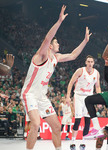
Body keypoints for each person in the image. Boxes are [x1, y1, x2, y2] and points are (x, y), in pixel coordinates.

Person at [20, 5, 92, 150]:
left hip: (42, 97)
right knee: (35, 124)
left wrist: (84, 41)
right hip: (30, 95)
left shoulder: (56, 58)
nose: (58, 44)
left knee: (57, 126)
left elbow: (73, 55)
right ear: (50, 47)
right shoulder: (41, 56)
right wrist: (59, 21)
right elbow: (47, 38)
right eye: (56, 43)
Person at [66, 55, 101, 150]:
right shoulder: (80, 71)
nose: (90, 64)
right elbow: (71, 82)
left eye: (91, 62)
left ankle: (83, 141)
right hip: (78, 96)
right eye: (88, 61)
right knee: (77, 120)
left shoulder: (96, 73)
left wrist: (99, 98)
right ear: (86, 62)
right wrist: (68, 96)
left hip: (89, 98)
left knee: (87, 121)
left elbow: (97, 87)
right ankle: (73, 141)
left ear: (93, 63)